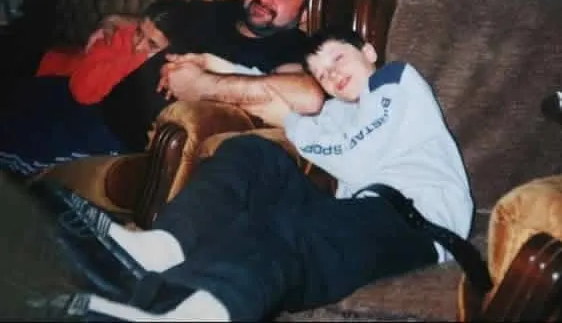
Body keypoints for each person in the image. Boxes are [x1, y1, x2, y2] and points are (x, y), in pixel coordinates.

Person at [28, 28, 474, 321]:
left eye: (338, 58)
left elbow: (353, 158)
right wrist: (214, 65)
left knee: (287, 231)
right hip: (361, 211)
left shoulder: (396, 82)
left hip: (420, 222)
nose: (330, 74)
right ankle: (156, 252)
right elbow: (270, 89)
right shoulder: (339, 115)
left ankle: (190, 315)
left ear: (369, 51)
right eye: (319, 73)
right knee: (253, 154)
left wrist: (296, 122)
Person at [99, 0, 324, 151]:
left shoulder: (292, 47)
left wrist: (204, 82)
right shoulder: (223, 9)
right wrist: (114, 21)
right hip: (100, 110)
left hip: (125, 146)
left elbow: (304, 95)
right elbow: (157, 23)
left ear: (303, 15)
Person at [0, 0, 192, 176]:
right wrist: (139, 55)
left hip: (60, 79)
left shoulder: (175, 67)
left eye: (151, 44)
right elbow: (82, 90)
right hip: (48, 65)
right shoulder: (121, 35)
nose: (139, 45)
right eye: (139, 33)